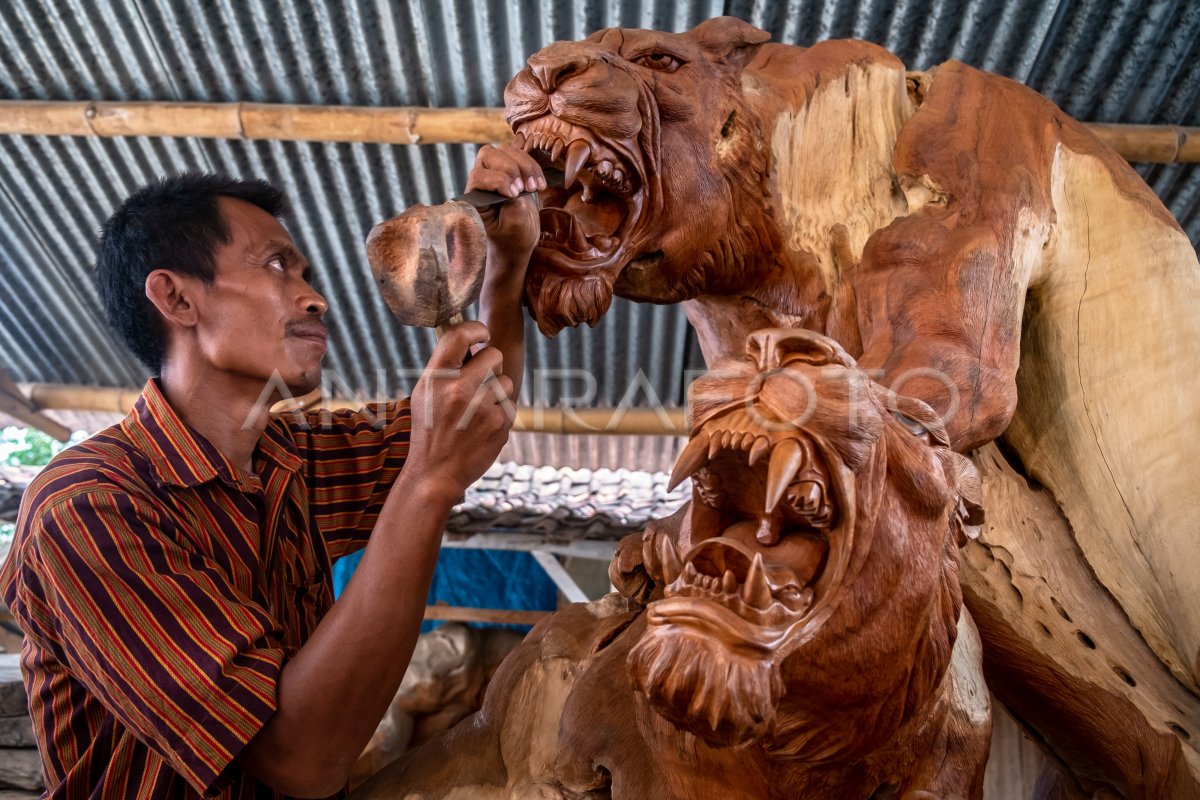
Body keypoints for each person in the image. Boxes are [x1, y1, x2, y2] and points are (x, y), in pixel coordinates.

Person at [0, 144, 545, 797]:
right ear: (175, 297)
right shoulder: (87, 507)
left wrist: (506, 270)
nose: (315, 298)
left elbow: (474, 419)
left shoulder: (291, 456)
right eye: (278, 265)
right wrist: (427, 485)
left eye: (307, 273)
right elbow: (298, 759)